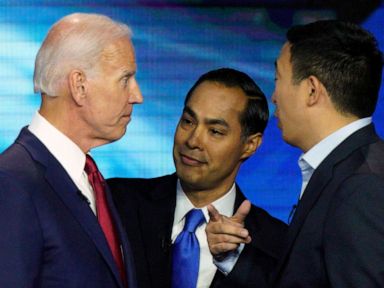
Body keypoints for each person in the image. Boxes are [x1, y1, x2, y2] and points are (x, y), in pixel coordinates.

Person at [206, 20, 384, 287]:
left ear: (312, 90)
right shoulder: (351, 168)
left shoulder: (360, 186)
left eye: (278, 79)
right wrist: (234, 258)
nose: (274, 96)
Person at [108, 68, 287, 288]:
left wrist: (233, 264)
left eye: (215, 131)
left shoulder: (278, 244)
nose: (193, 140)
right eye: (188, 121)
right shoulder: (115, 202)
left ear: (250, 145)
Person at [0, 13, 143, 288]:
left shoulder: (90, 180)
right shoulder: (11, 184)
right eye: (125, 79)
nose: (137, 96)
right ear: (79, 86)